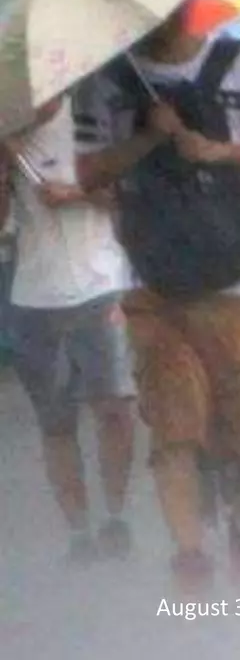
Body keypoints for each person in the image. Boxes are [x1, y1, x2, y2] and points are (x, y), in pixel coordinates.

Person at [75, 0, 240, 589]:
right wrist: (148, 136)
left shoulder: (238, 63)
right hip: (152, 279)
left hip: (233, 274)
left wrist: (216, 150)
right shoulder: (105, 82)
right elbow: (89, 172)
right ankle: (189, 556)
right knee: (171, 416)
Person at [2, 95, 138, 564]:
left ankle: (115, 516)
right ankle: (79, 532)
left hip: (101, 282)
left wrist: (75, 192)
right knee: (56, 420)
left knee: (114, 407)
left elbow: (127, 193)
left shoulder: (90, 119)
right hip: (35, 295)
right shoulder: (7, 134)